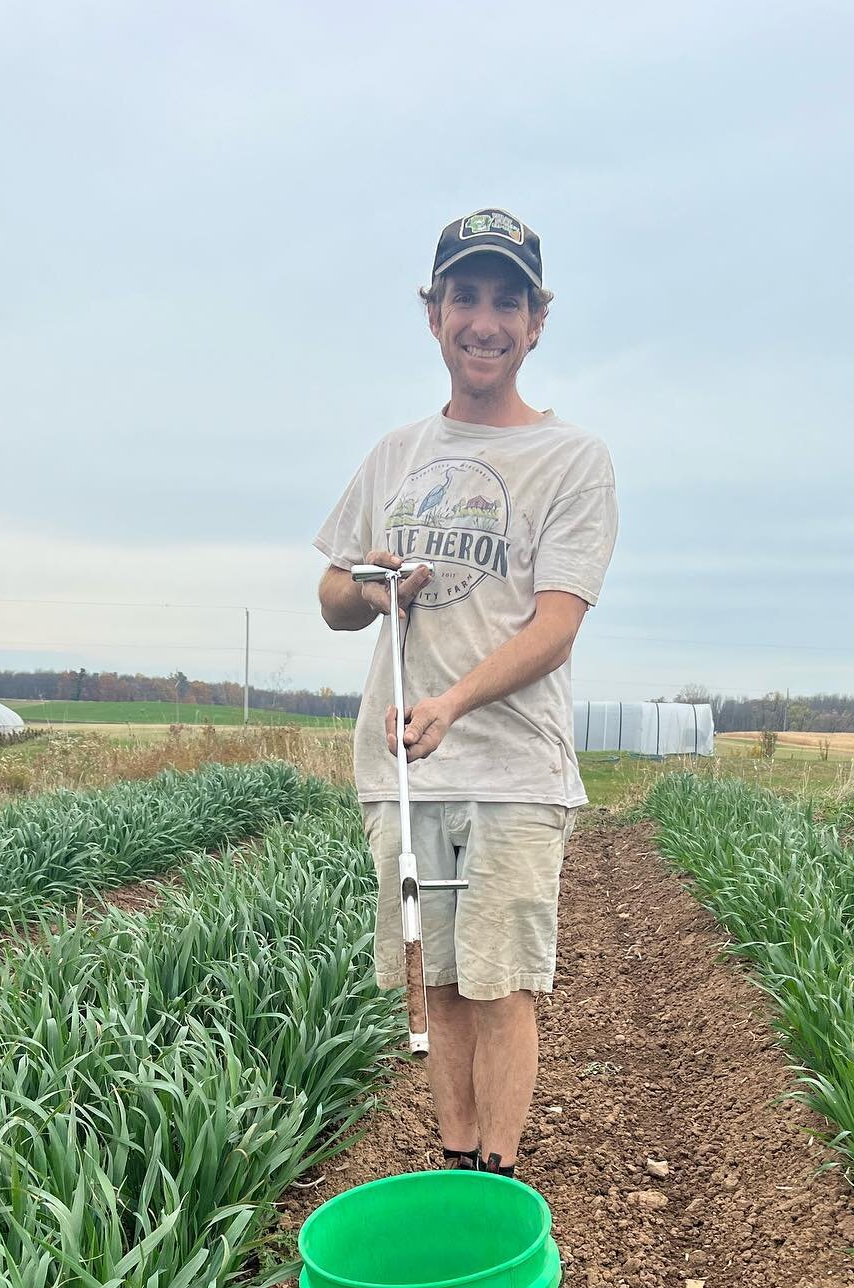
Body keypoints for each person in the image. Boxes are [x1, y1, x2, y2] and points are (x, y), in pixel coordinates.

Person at [315, 207, 618, 1178]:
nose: (483, 320)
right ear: (434, 313)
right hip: (403, 764)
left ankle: (497, 1175)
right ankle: (455, 1165)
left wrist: (454, 703)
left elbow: (558, 622)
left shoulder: (573, 461)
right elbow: (330, 595)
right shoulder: (395, 456)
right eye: (465, 297)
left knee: (503, 987)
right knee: (439, 981)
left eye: (506, 301)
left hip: (515, 768)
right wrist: (373, 585)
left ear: (536, 323)